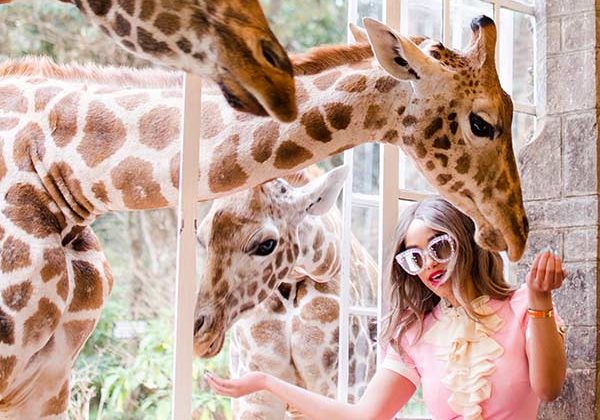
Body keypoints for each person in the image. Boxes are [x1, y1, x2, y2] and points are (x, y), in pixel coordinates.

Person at [205, 198, 567, 420]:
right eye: (413, 257)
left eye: (439, 246)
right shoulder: (415, 334)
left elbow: (548, 388)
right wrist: (266, 382)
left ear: (467, 244)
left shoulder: (524, 307)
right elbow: (363, 416)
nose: (428, 263)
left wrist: (540, 302)